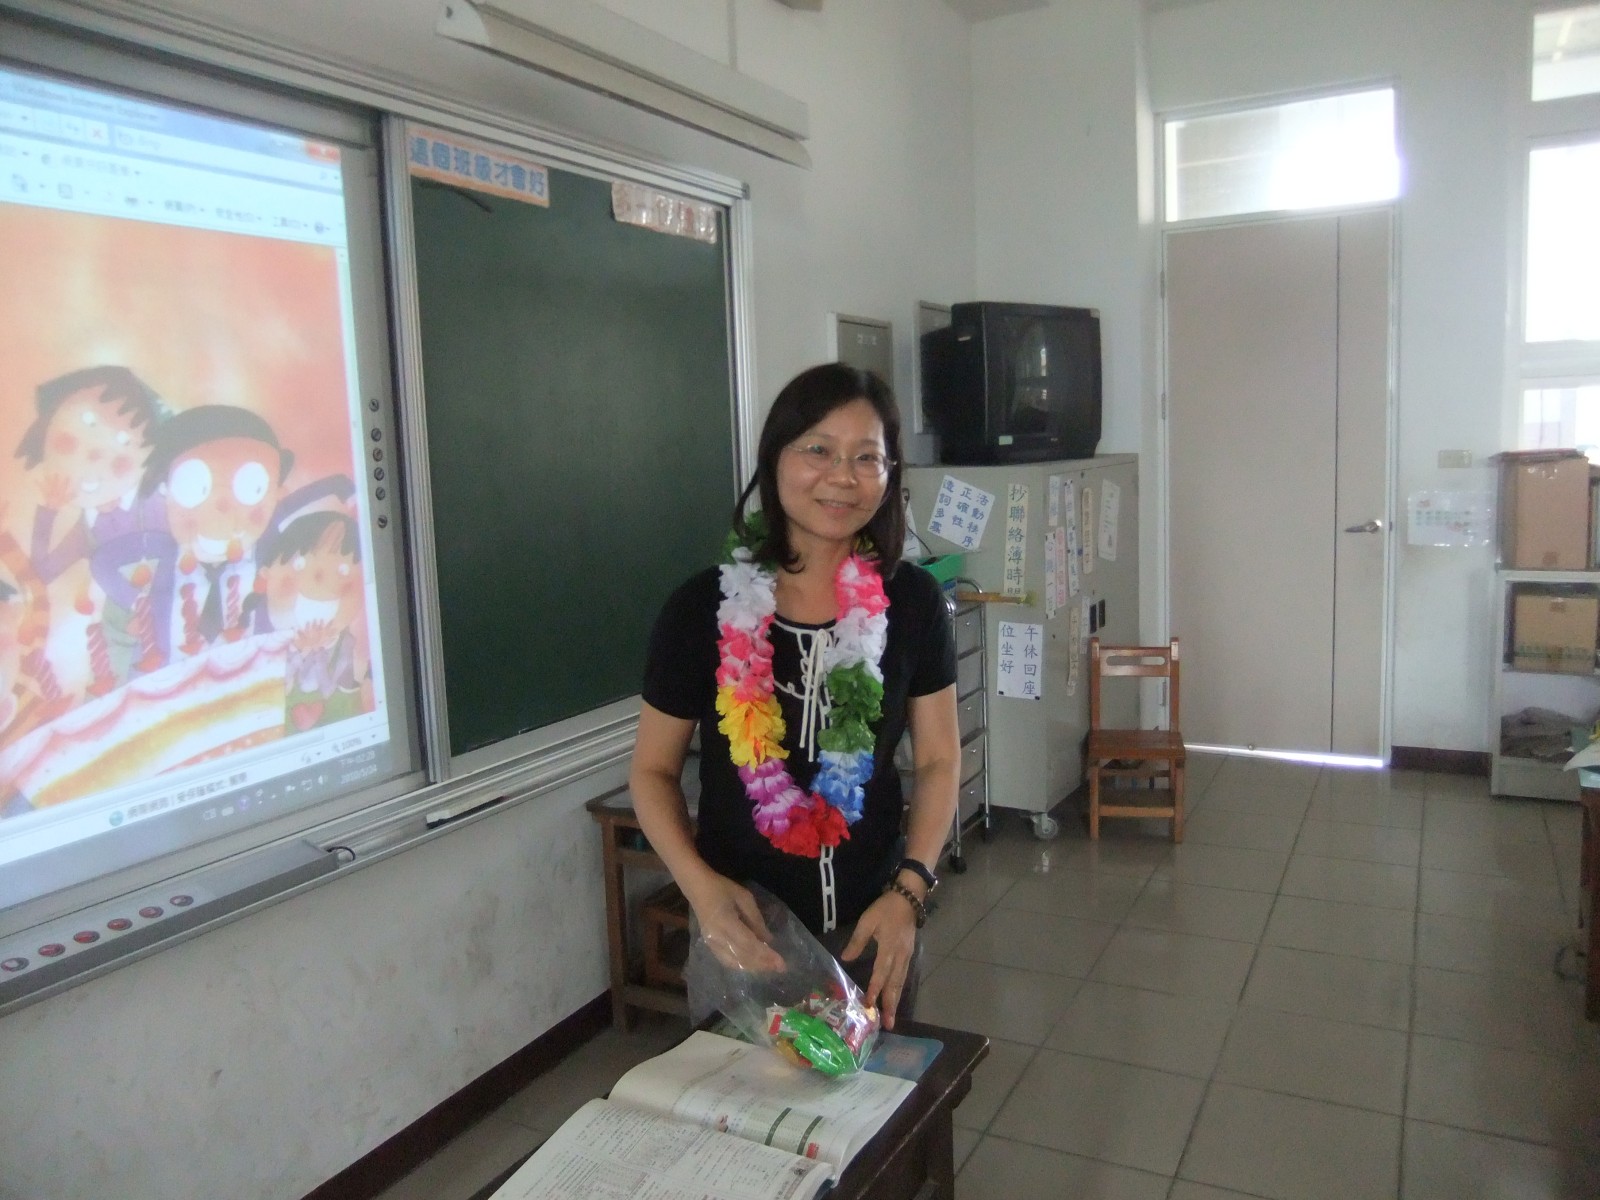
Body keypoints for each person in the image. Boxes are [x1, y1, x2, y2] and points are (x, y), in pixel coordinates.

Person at [630, 363, 960, 1029]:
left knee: (875, 1092)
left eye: (866, 457)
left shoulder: (913, 603)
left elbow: (938, 761)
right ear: (774, 459)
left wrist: (910, 891)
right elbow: (652, 771)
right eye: (818, 450)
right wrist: (704, 893)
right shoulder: (700, 609)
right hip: (744, 932)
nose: (842, 476)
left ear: (890, 474)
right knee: (745, 1096)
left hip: (875, 926)